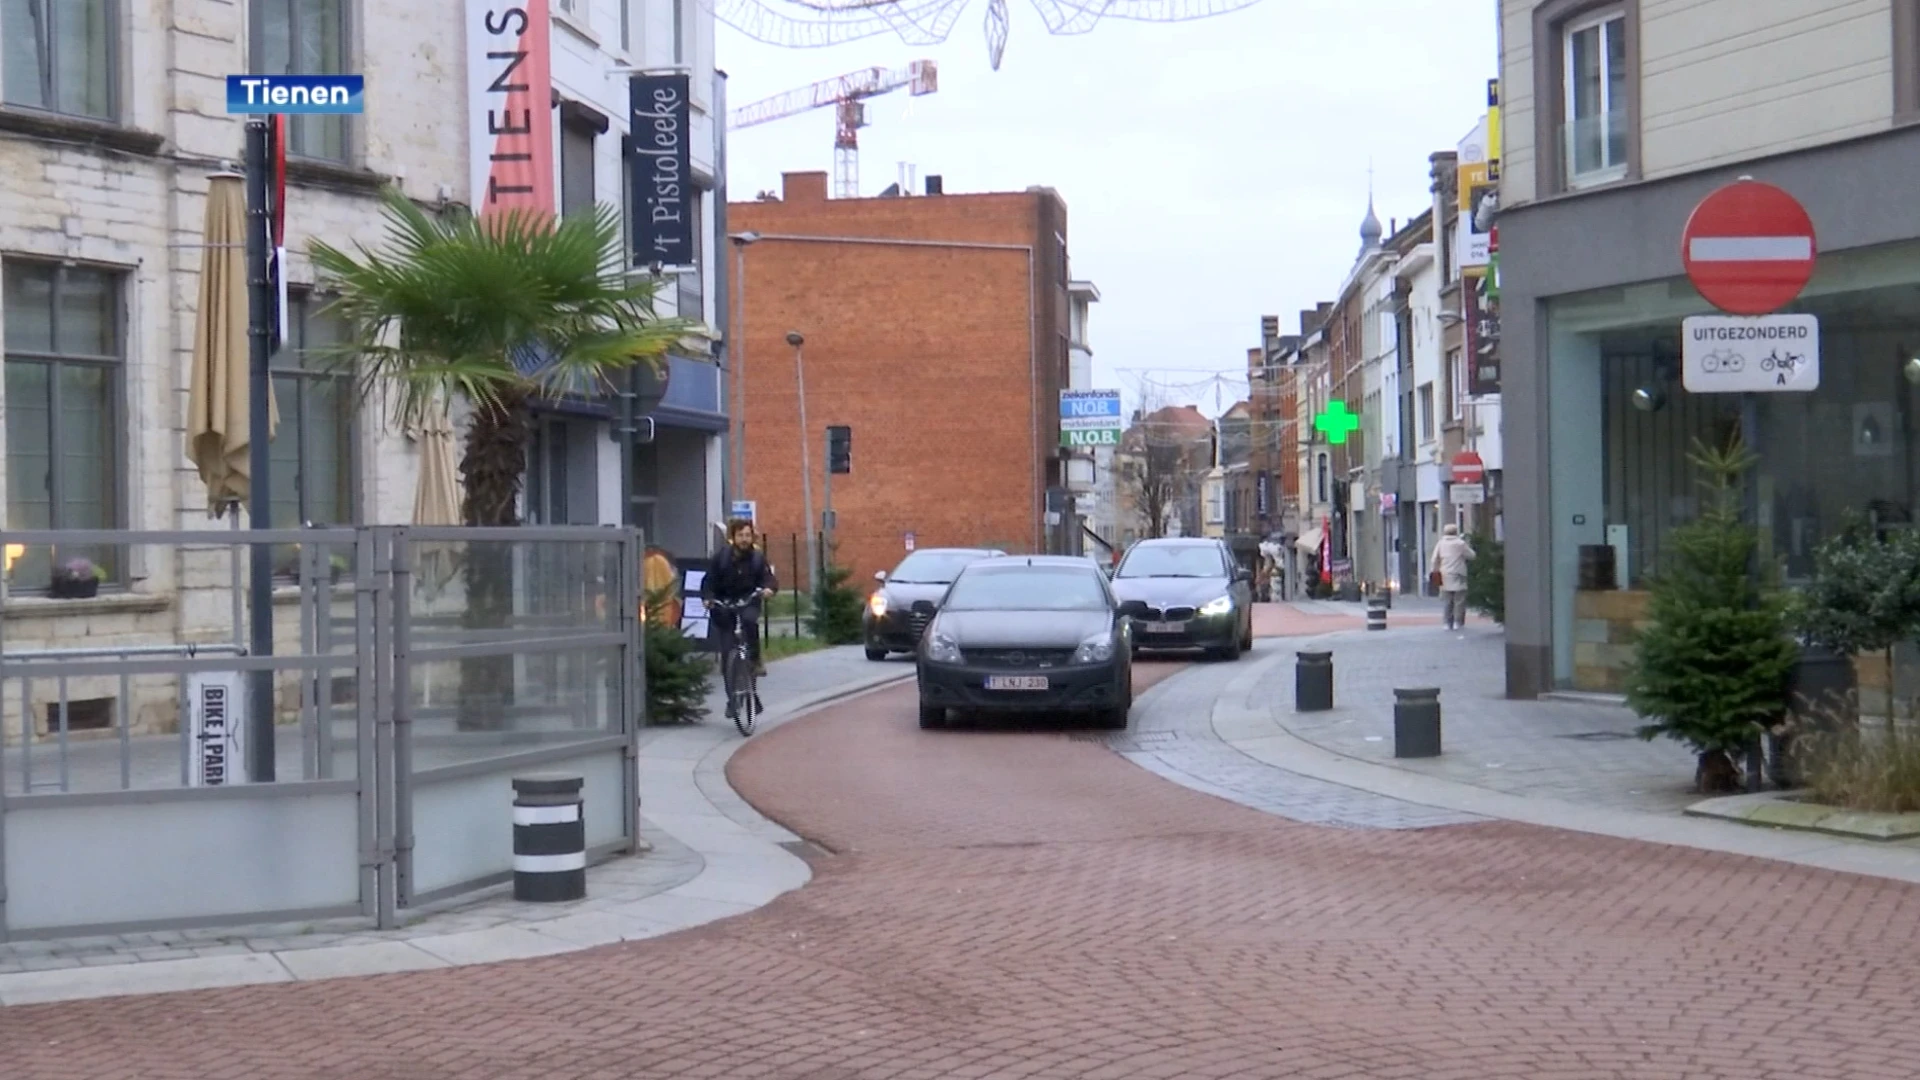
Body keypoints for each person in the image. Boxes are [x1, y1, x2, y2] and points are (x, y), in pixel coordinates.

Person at [701, 518, 777, 716]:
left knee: (750, 622)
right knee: (728, 654)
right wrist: (708, 598)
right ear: (733, 537)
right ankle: (732, 700)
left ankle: (755, 660)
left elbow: (768, 577)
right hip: (725, 604)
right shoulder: (721, 558)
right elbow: (709, 582)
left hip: (748, 601)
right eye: (740, 535)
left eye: (747, 535)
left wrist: (768, 589)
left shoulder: (757, 558)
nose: (744, 539)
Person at [1429, 523, 1476, 631]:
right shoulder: (1460, 543)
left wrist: (1434, 570)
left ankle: (1446, 622)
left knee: (1447, 600)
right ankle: (1457, 622)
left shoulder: (1441, 543)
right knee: (1459, 600)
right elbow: (1472, 555)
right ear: (1456, 532)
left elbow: (1434, 558)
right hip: (1459, 574)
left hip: (1445, 574)